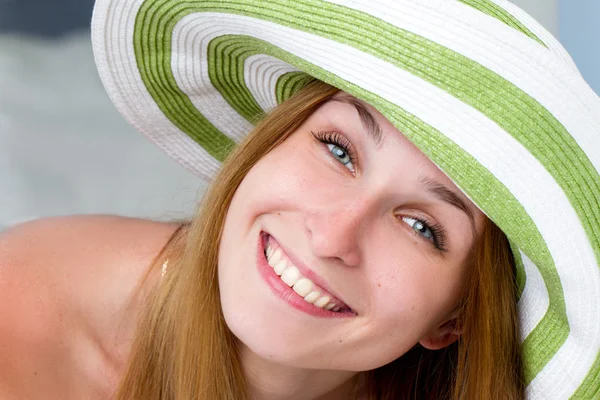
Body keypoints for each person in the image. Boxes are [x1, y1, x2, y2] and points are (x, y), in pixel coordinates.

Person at [1, 0, 599, 399]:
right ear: (270, 142)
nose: (333, 236)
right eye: (338, 151)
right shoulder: (22, 324)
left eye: (421, 226)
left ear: (455, 318)